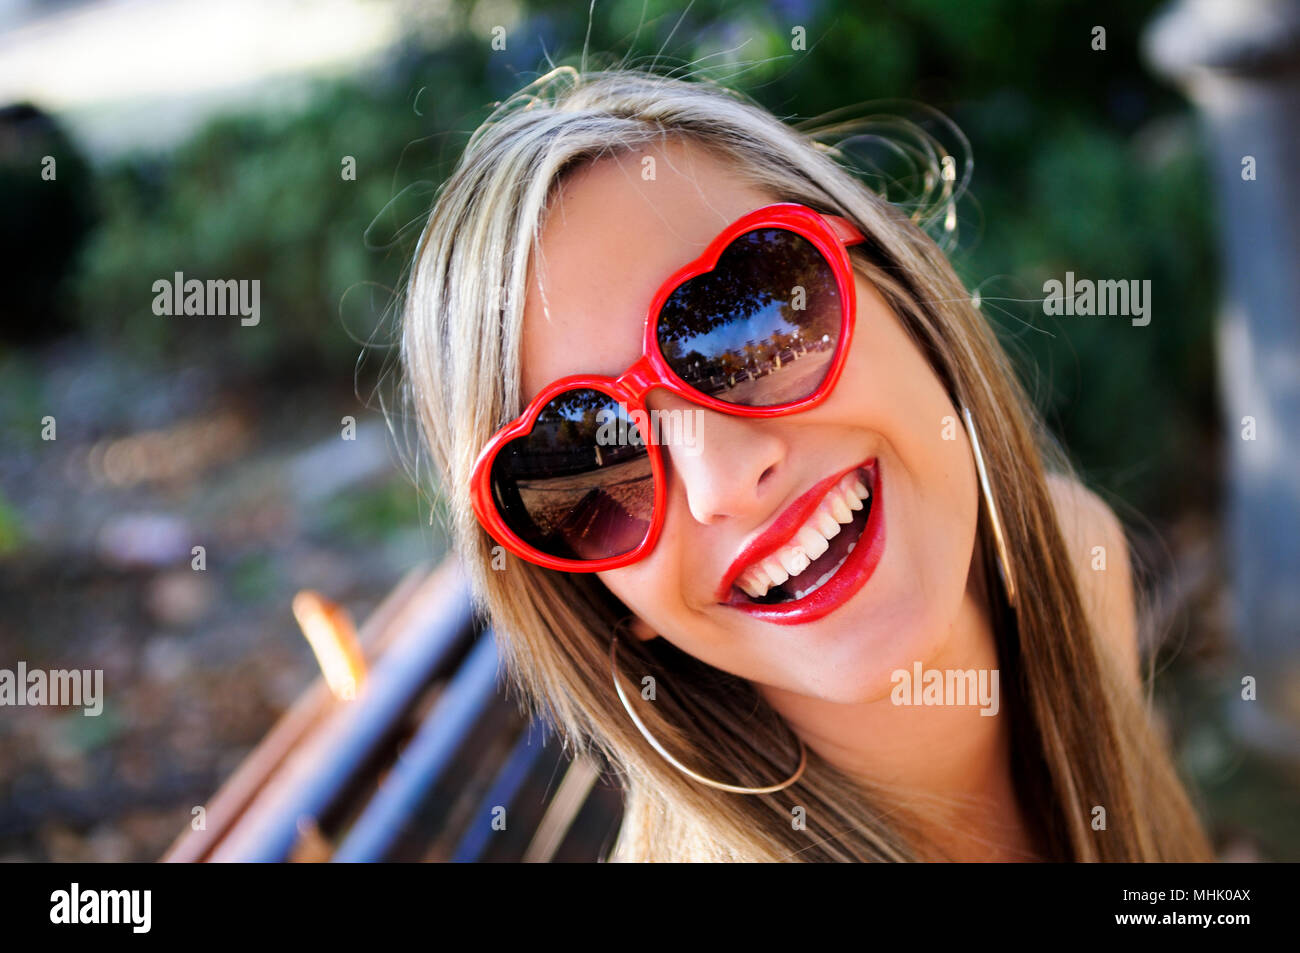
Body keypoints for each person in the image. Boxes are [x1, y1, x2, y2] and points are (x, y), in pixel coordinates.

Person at [400, 66, 1213, 861]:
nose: (725, 479)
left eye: (745, 316)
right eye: (582, 460)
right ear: (603, 595)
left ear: (900, 283)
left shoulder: (1073, 561)